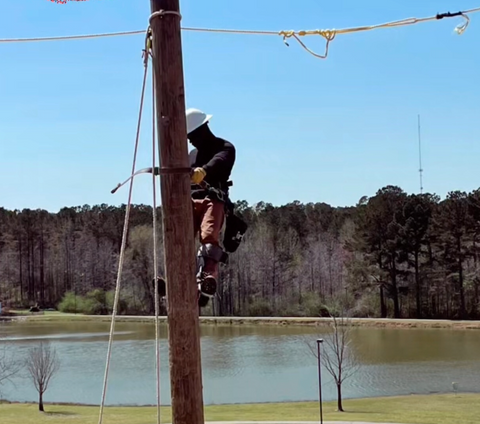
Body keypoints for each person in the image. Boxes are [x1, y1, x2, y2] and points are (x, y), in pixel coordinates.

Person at [153, 108, 236, 308]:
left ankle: (208, 277)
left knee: (208, 236)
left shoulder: (224, 147)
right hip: (189, 201)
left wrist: (203, 171)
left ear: (202, 130)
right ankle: (174, 279)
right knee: (179, 239)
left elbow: (219, 162)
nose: (190, 140)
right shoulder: (192, 154)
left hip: (213, 200)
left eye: (191, 136)